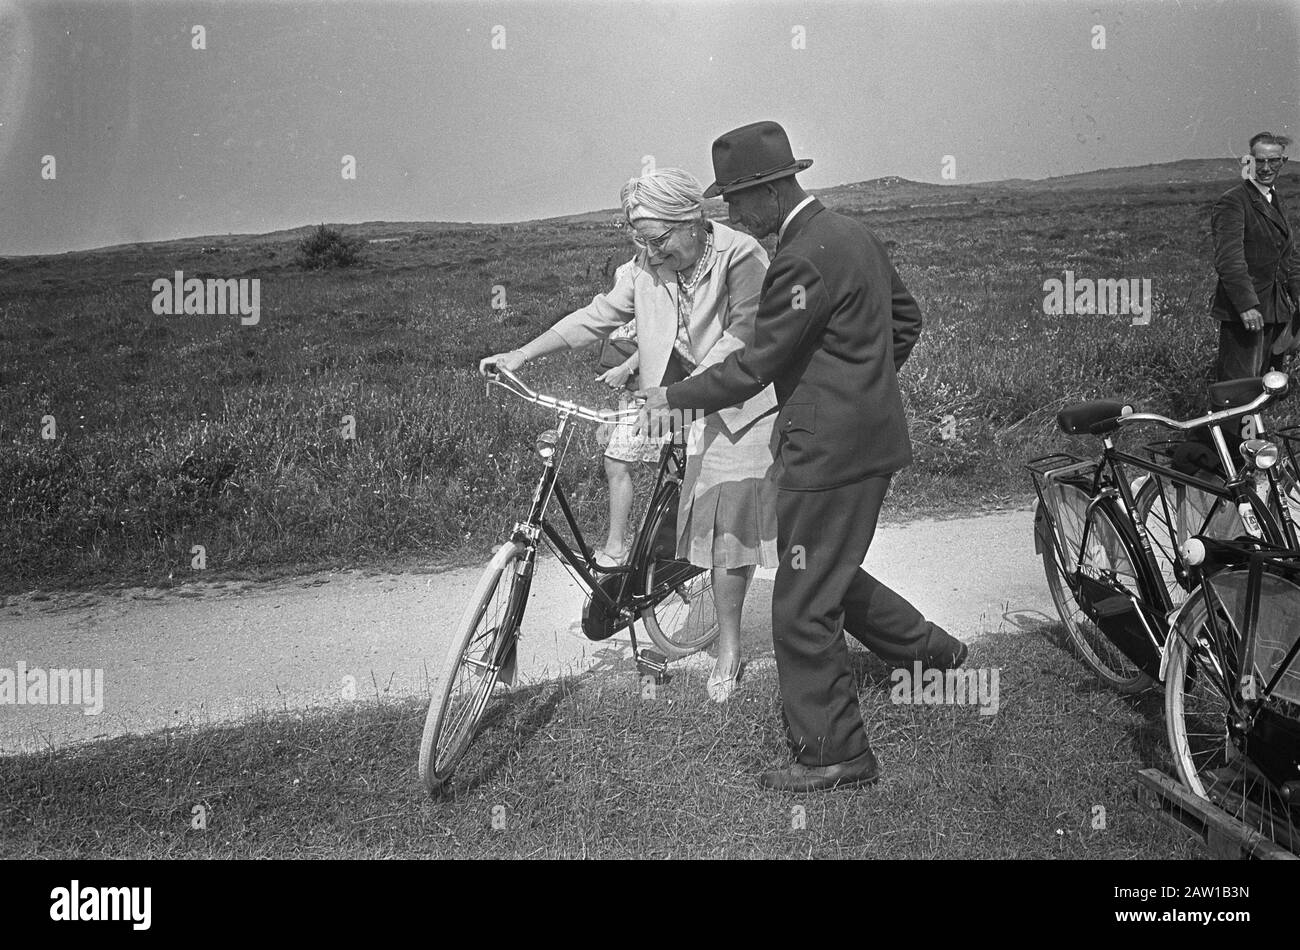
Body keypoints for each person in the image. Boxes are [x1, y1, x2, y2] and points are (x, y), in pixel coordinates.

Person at [638, 121, 967, 792]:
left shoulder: (799, 255)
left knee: (800, 605)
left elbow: (758, 364)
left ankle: (835, 754)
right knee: (822, 568)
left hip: (828, 454)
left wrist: (671, 397)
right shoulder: (851, 234)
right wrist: (861, 385)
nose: (730, 215)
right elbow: (907, 320)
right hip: (867, 441)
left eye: (734, 200)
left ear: (768, 189)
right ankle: (929, 652)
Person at [479, 167, 779, 702]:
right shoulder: (648, 264)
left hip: (739, 400)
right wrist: (520, 354)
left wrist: (683, 396)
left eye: (659, 240)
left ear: (693, 220)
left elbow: (744, 337)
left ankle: (729, 647)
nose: (652, 253)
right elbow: (597, 316)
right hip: (673, 393)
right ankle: (643, 572)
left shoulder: (742, 254)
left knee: (728, 522)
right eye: (640, 242)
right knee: (665, 491)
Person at [1210, 131, 1300, 382]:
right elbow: (1229, 260)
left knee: (1267, 386)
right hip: (1246, 313)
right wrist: (1247, 305)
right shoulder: (1233, 201)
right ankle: (1223, 424)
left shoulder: (1274, 200)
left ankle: (1257, 424)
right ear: (1248, 160)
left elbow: (1288, 257)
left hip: (1276, 312)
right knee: (1237, 388)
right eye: (1259, 160)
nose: (1266, 167)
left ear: (1283, 161)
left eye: (1273, 161)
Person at [593, 321, 659, 568]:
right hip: (634, 397)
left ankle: (668, 544)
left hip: (667, 394)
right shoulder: (624, 290)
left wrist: (627, 368)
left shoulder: (660, 288)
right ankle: (616, 547)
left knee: (666, 472)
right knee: (616, 461)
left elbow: (665, 335)